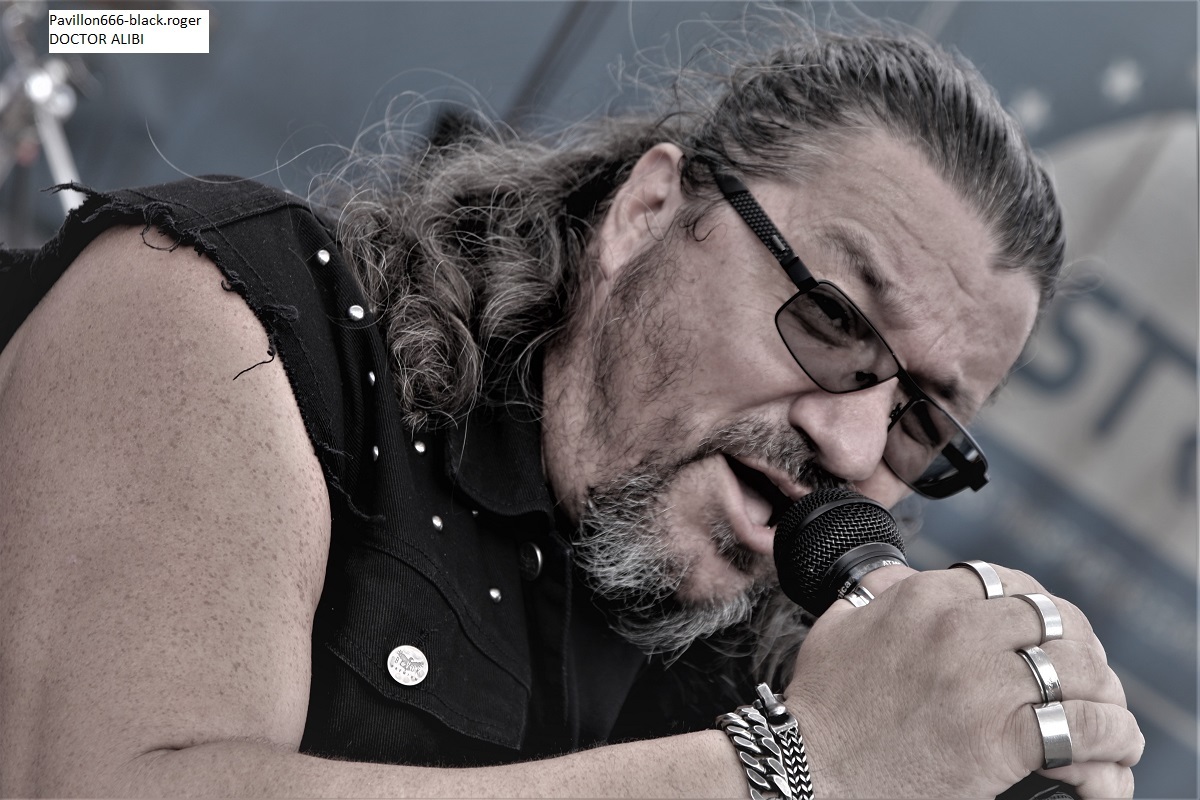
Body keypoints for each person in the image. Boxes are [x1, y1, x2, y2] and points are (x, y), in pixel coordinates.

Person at [0, 13, 1142, 799]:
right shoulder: (228, 309)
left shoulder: (761, 672)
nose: (848, 442)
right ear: (648, 213)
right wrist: (795, 769)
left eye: (920, 422)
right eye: (833, 320)